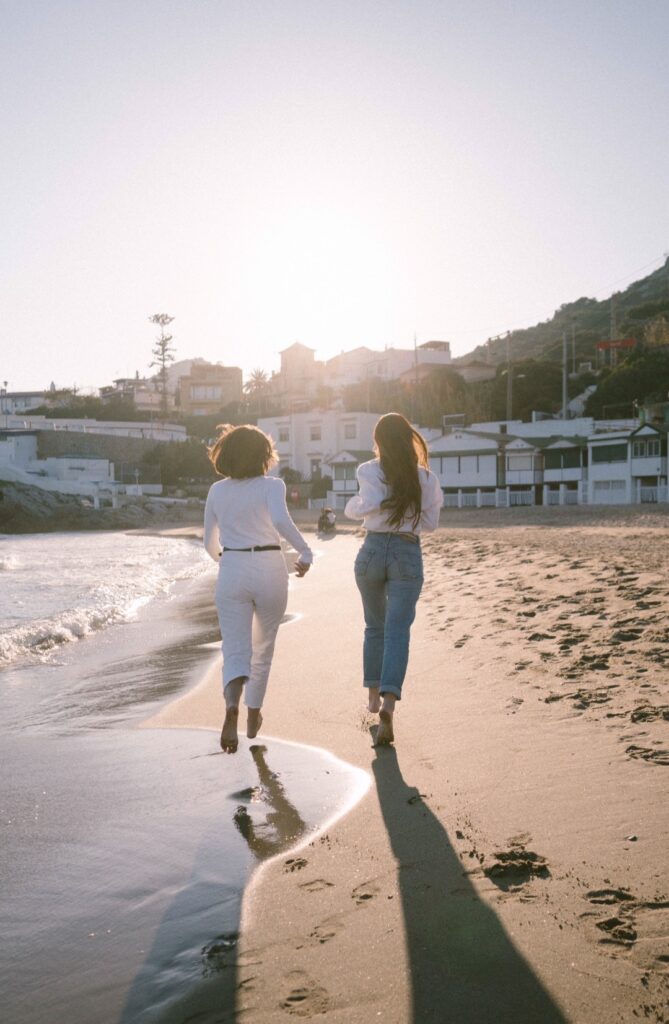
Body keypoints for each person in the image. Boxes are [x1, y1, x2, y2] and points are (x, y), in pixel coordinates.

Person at [204, 424, 313, 753]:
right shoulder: (272, 486)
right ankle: (253, 715)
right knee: (262, 649)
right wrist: (305, 552)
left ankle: (231, 708)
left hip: (232, 567)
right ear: (264, 455)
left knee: (235, 650)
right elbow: (280, 522)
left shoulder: (216, 491)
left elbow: (209, 543)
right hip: (268, 567)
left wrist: (229, 560)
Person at [345, 413, 443, 745]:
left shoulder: (367, 470)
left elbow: (364, 508)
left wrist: (355, 507)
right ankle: (388, 703)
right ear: (408, 439)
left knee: (374, 626)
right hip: (405, 551)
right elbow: (430, 525)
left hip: (371, 551)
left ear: (379, 441)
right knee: (397, 631)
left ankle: (371, 699)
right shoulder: (426, 479)